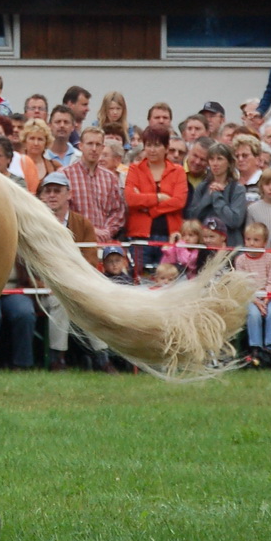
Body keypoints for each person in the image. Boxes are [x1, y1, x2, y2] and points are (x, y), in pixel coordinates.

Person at [35, 171, 110, 372]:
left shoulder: (82, 224)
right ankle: (57, 358)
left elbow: (90, 259)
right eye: (47, 191)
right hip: (46, 288)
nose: (51, 195)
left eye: (57, 191)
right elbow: (30, 262)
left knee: (91, 301)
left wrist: (73, 281)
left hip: (78, 284)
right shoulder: (36, 223)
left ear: (69, 194)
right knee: (60, 300)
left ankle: (102, 357)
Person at [125, 125, 188, 270]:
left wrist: (150, 209)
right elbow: (130, 199)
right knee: (138, 281)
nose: (152, 150)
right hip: (139, 236)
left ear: (166, 148)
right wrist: (158, 197)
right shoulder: (135, 169)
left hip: (170, 237)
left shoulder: (178, 171)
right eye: (148, 145)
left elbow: (179, 201)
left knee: (168, 281)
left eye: (157, 145)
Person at [67, 125, 125, 242]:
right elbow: (64, 211)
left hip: (103, 243)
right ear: (81, 146)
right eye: (90, 144)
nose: (94, 149)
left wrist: (107, 232)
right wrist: (89, 230)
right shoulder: (66, 175)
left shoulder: (110, 178)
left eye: (98, 145)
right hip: (75, 241)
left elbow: (117, 211)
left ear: (102, 147)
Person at [236, 222, 271, 366]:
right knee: (254, 314)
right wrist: (255, 300)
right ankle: (256, 348)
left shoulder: (270, 258)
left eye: (256, 240)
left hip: (268, 297)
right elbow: (243, 284)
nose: (251, 243)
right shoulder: (241, 260)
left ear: (264, 242)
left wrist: (266, 298)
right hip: (250, 298)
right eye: (248, 239)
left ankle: (270, 347)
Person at [187, 143, 246, 245]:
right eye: (212, 159)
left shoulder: (237, 189)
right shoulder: (202, 187)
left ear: (229, 163)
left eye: (219, 159)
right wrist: (208, 196)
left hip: (229, 246)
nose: (215, 163)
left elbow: (234, 221)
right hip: (204, 246)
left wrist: (217, 196)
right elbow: (193, 217)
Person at [44, 104, 79, 169]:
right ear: (49, 126)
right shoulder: (42, 156)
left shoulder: (80, 157)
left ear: (72, 127)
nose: (62, 125)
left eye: (66, 122)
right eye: (58, 122)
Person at [232, 133, 263, 198]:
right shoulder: (232, 182)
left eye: (245, 156)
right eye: (237, 156)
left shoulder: (264, 181)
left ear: (257, 159)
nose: (240, 159)